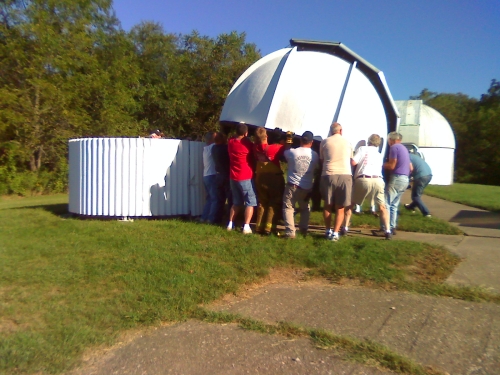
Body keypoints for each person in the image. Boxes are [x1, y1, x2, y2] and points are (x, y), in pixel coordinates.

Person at [343, 134, 392, 240]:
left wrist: (351, 155)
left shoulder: (362, 149)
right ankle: (388, 230)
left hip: (363, 178)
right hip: (378, 179)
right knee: (382, 207)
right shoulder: (379, 155)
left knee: (351, 204)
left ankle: (345, 227)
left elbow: (353, 162)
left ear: (368, 141)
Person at [319, 122, 353, 242]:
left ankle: (328, 229)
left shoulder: (325, 142)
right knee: (340, 207)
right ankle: (335, 232)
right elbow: (350, 159)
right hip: (344, 174)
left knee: (328, 205)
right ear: (341, 130)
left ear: (331, 131)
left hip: (328, 173)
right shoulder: (348, 142)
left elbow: (322, 159)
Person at [282, 131, 319, 238]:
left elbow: (285, 151)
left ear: (301, 140)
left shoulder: (293, 152)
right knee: (305, 208)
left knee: (288, 207)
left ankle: (290, 231)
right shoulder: (315, 155)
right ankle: (303, 229)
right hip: (307, 187)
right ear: (311, 142)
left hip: (292, 185)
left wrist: (289, 139)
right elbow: (316, 167)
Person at [253, 127, 286, 235]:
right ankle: (268, 227)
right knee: (274, 202)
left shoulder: (255, 147)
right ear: (266, 136)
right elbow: (286, 148)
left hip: (260, 177)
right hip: (273, 178)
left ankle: (259, 227)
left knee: (262, 202)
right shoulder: (274, 148)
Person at [227, 123, 257, 234]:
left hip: (233, 176)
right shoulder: (247, 144)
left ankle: (230, 223)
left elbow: (233, 138)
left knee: (236, 202)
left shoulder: (231, 142)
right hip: (245, 176)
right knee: (250, 201)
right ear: (246, 133)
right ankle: (246, 226)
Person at [382, 132, 411, 234]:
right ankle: (392, 226)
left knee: (386, 203)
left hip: (397, 177)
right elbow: (411, 167)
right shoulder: (404, 149)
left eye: (388, 140)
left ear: (391, 140)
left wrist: (381, 164)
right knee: (394, 204)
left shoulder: (394, 148)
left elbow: (392, 165)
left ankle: (386, 228)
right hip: (405, 178)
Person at [211, 132, 232, 224]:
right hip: (226, 175)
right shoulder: (225, 148)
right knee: (230, 198)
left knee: (220, 199)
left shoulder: (213, 148)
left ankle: (216, 219)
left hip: (218, 175)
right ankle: (229, 219)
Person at [405, 152, 433, 217]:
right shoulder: (414, 157)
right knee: (417, 194)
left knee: (415, 197)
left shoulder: (406, 157)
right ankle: (410, 207)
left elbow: (410, 169)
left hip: (421, 176)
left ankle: (426, 213)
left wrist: (407, 180)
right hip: (429, 175)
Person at [200, 132, 217, 223]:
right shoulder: (212, 147)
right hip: (211, 175)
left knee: (209, 198)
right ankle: (211, 219)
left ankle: (204, 217)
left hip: (206, 175)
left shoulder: (205, 149)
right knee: (215, 198)